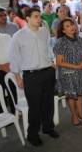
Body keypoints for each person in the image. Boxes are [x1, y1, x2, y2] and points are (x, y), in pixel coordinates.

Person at [9, 8, 59, 146]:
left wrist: (52, 61)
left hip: (47, 72)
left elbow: (48, 48)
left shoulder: (43, 32)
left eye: (39, 16)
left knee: (48, 103)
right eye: (36, 16)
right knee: (35, 107)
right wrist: (18, 77)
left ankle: (48, 128)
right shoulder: (18, 36)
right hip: (31, 76)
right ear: (28, 19)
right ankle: (33, 134)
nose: (39, 19)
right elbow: (14, 58)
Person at [53, 19, 82, 127]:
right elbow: (59, 62)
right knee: (71, 96)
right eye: (68, 26)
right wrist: (76, 66)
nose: (72, 27)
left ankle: (81, 114)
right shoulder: (61, 42)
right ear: (63, 30)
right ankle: (74, 116)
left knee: (80, 94)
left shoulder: (79, 39)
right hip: (68, 73)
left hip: (80, 71)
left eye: (72, 24)